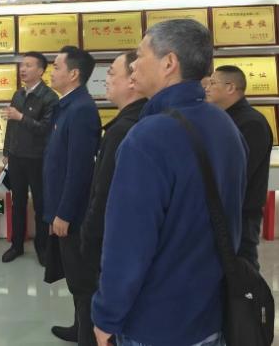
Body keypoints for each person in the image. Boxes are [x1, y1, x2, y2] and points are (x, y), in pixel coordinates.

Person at [92, 19, 247, 346]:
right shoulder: (225, 125)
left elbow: (128, 243)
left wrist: (106, 316)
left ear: (169, 63)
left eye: (140, 55)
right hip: (212, 313)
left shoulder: (147, 137)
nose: (133, 64)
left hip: (155, 323)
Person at [52, 52, 147, 343]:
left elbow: (91, 180)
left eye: (112, 73)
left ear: (132, 80)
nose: (106, 80)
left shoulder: (119, 127)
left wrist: (82, 230)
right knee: (80, 288)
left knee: (86, 289)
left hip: (100, 231)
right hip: (99, 228)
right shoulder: (75, 108)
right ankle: (80, 328)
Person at [43, 46, 101, 345]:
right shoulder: (67, 106)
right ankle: (79, 327)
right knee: (74, 276)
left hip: (73, 215)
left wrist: (64, 213)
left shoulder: (81, 110)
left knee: (82, 280)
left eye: (56, 66)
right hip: (61, 209)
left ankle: (87, 337)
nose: (51, 72)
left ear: (74, 73)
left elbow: (79, 169)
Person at [205, 65, 272, 270]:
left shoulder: (251, 123)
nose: (207, 87)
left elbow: (239, 173)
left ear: (230, 87)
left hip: (240, 214)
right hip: (220, 211)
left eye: (213, 83)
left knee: (242, 273)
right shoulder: (222, 119)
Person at [1, 51, 59, 264]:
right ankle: (16, 246)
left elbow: (46, 129)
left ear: (41, 71)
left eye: (28, 65)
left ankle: (42, 249)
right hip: (16, 158)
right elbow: (11, 125)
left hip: (38, 159)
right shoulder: (18, 94)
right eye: (22, 65)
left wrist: (21, 117)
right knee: (18, 203)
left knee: (41, 204)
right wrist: (6, 151)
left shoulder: (50, 97)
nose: (23, 69)